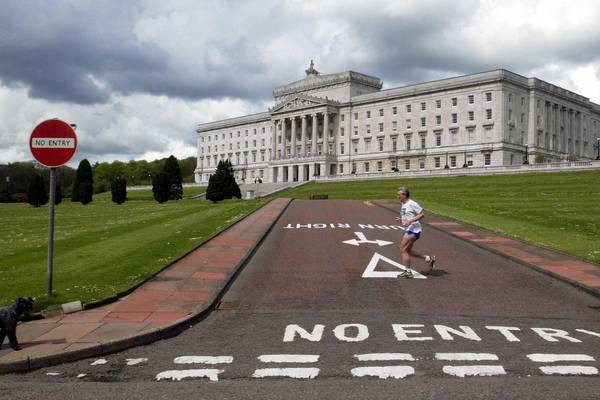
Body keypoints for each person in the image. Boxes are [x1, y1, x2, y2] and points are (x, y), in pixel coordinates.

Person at [395, 186, 436, 277]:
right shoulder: (403, 204)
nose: (397, 197)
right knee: (408, 251)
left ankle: (408, 272)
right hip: (409, 229)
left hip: (413, 230)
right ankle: (428, 258)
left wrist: (410, 221)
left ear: (404, 195)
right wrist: (402, 218)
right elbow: (408, 214)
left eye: (399, 195)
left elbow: (422, 214)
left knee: (403, 250)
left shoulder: (412, 203)